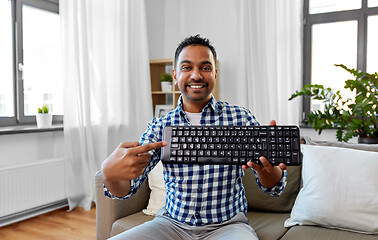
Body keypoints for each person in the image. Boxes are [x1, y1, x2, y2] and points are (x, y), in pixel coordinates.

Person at [101, 34, 288, 240]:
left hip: (228, 227)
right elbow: (127, 189)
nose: (196, 75)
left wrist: (270, 172)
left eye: (205, 68)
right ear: (175, 75)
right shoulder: (160, 126)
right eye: (186, 67)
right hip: (170, 224)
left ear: (216, 73)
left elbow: (275, 187)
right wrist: (110, 175)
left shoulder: (241, 118)